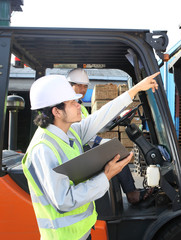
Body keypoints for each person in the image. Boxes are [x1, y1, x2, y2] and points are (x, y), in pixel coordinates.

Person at [22, 72, 159, 240]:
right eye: (72, 102)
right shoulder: (44, 149)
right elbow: (64, 200)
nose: (79, 105)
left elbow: (99, 117)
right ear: (56, 111)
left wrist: (136, 89)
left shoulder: (70, 132)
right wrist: (106, 175)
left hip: (81, 232)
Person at [67, 68, 153, 204]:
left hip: (83, 145)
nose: (82, 89)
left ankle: (128, 191)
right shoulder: (69, 108)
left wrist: (112, 121)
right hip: (79, 151)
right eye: (78, 85)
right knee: (115, 150)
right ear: (69, 85)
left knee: (111, 145)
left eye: (85, 86)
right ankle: (131, 193)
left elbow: (89, 128)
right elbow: (82, 133)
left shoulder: (80, 107)